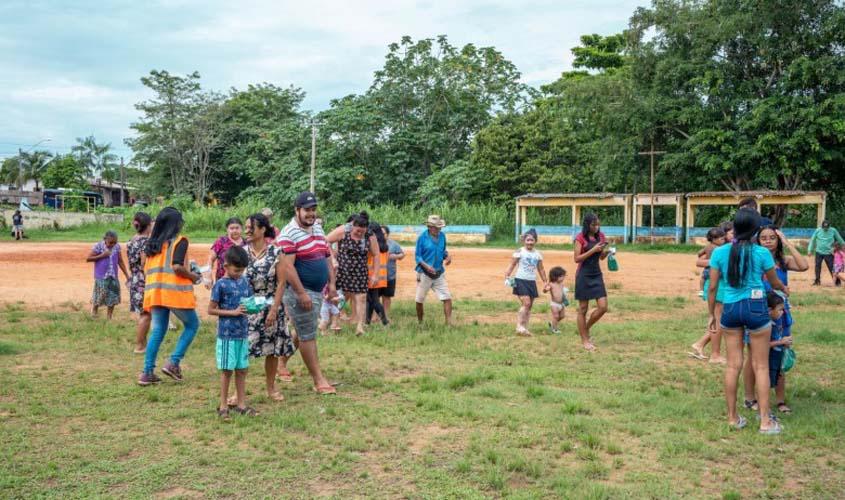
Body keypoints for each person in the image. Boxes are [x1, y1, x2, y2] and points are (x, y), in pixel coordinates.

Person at [707, 208, 787, 434]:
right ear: (755, 230)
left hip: (730, 308)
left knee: (733, 365)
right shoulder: (761, 253)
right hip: (756, 307)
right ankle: (765, 421)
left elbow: (712, 287)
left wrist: (711, 314)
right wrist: (784, 289)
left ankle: (733, 418)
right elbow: (772, 282)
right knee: (760, 366)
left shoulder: (720, 252)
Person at [269, 191, 337, 395]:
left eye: (314, 209)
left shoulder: (317, 227)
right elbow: (287, 268)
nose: (311, 213)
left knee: (301, 331)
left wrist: (332, 283)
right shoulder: (288, 234)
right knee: (308, 335)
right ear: (297, 210)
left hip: (317, 290)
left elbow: (326, 255)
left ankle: (281, 363)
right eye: (307, 210)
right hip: (301, 292)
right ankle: (319, 380)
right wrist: (301, 293)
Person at [743, 225, 808, 414]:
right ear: (758, 240)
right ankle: (749, 398)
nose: (769, 241)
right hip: (758, 311)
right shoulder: (754, 260)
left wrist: (788, 243)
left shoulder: (783, 261)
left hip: (781, 314)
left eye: (772, 237)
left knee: (779, 354)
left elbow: (804, 266)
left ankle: (779, 401)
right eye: (764, 238)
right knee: (753, 357)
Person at [138, 207, 202, 386]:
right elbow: (177, 266)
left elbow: (145, 266)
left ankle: (147, 372)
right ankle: (173, 362)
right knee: (192, 325)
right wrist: (193, 276)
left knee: (158, 330)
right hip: (174, 293)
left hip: (155, 293)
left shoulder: (152, 244)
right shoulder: (180, 241)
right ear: (176, 225)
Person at [240, 213, 292, 402]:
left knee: (271, 350)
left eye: (250, 227)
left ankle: (271, 388)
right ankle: (237, 391)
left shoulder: (276, 253)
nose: (246, 231)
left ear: (262, 229)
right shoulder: (241, 252)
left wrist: (273, 310)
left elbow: (281, 283)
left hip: (271, 307)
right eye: (245, 227)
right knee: (242, 350)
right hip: (247, 308)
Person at [209, 246, 256, 418]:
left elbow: (249, 301)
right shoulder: (220, 285)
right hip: (227, 335)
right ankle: (223, 406)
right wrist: (233, 312)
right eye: (236, 270)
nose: (239, 273)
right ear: (226, 266)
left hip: (242, 333)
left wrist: (254, 307)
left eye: (242, 270)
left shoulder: (244, 281)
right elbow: (211, 310)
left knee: (242, 369)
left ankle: (241, 404)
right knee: (227, 371)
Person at [326, 213, 380, 336]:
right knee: (339, 297)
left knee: (361, 297)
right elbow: (326, 240)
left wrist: (375, 274)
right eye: (357, 231)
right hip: (343, 270)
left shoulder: (370, 235)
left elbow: (376, 254)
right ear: (352, 225)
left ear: (366, 228)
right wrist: (333, 257)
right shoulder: (343, 230)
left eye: (362, 232)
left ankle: (360, 326)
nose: (359, 234)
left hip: (360, 271)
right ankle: (334, 322)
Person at [690, 226, 727, 363]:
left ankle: (700, 344)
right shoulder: (719, 249)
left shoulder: (710, 247)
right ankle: (712, 352)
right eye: (722, 237)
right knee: (718, 318)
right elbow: (699, 261)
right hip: (716, 277)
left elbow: (699, 256)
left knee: (720, 318)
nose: (723, 240)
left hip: (713, 275)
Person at [573, 213, 609, 351]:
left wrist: (607, 252)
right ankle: (585, 340)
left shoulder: (601, 236)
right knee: (583, 309)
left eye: (598, 224)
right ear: (587, 225)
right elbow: (577, 259)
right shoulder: (580, 238)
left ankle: (585, 328)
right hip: (583, 275)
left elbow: (601, 258)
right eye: (594, 225)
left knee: (603, 307)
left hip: (596, 274)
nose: (597, 227)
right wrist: (593, 249)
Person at [504, 229, 548, 337]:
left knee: (529, 306)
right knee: (526, 303)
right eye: (528, 240)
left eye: (532, 240)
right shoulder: (520, 251)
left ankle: (524, 328)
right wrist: (507, 275)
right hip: (520, 280)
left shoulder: (538, 254)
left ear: (535, 241)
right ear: (524, 240)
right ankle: (519, 326)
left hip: (531, 281)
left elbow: (541, 269)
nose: (530, 242)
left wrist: (545, 281)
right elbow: (512, 264)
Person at [415, 215, 453, 326]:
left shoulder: (442, 236)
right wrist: (426, 266)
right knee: (419, 300)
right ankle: (420, 323)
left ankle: (448, 324)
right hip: (424, 273)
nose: (438, 230)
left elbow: (443, 251)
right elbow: (418, 257)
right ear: (429, 227)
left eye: (440, 227)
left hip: (438, 272)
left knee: (447, 298)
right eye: (436, 227)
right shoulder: (422, 238)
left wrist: (448, 257)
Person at [86, 230, 130, 319]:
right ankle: (94, 311)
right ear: (105, 239)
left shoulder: (117, 247)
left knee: (113, 295)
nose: (112, 244)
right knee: (100, 294)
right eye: (110, 242)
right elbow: (88, 258)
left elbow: (120, 261)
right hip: (102, 276)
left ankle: (109, 316)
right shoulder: (98, 246)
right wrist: (102, 255)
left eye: (115, 242)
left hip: (113, 275)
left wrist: (127, 275)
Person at [127, 212, 153, 353]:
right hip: (143, 280)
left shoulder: (132, 240)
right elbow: (144, 263)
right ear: (148, 226)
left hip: (134, 279)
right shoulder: (145, 242)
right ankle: (139, 345)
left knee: (143, 314)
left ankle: (143, 343)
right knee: (146, 314)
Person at [207, 217, 246, 288]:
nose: (234, 230)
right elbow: (211, 259)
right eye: (231, 228)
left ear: (241, 229)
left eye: (237, 228)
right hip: (223, 282)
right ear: (227, 229)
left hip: (242, 282)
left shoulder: (246, 243)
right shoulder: (221, 241)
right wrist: (209, 275)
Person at [366, 222, 390, 326]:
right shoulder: (384, 245)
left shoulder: (372, 244)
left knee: (372, 300)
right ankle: (367, 322)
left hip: (371, 276)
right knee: (372, 300)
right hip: (381, 277)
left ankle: (385, 321)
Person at [808, 219, 844, 286]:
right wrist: (810, 250)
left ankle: (837, 282)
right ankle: (817, 281)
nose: (825, 229)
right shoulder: (818, 230)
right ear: (822, 226)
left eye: (826, 227)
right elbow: (812, 240)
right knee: (817, 266)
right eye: (824, 227)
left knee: (831, 267)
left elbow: (840, 240)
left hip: (829, 253)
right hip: (819, 252)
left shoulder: (833, 230)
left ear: (829, 226)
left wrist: (842, 247)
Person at [380, 226, 405, 318]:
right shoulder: (374, 244)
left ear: (388, 234)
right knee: (375, 298)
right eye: (380, 233)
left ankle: (386, 316)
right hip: (378, 276)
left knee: (387, 297)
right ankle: (375, 317)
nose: (381, 236)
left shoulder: (394, 244)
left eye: (383, 234)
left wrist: (396, 256)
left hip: (390, 275)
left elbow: (402, 254)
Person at [546, 266, 567, 335]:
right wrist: (546, 289)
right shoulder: (551, 284)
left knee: (562, 316)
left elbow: (562, 292)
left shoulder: (561, 284)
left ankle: (552, 324)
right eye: (562, 276)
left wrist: (565, 298)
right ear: (555, 276)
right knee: (556, 316)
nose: (563, 278)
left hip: (561, 304)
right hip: (554, 304)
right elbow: (545, 290)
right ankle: (554, 329)